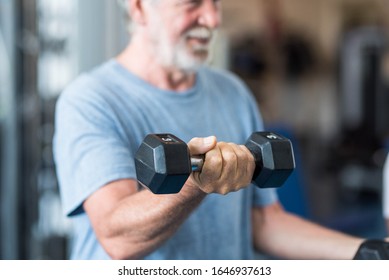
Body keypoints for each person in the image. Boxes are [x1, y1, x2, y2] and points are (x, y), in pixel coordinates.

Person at [53, 0, 371, 260]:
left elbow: (263, 222)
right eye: (192, 4)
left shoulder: (233, 92)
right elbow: (118, 239)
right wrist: (197, 184)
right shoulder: (91, 99)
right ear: (139, 8)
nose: (212, 19)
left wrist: (366, 252)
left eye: (215, 3)